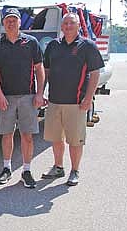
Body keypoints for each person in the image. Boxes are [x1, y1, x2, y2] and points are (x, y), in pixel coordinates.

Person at [42, 12, 104, 186]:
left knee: (75, 140)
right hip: (54, 101)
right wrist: (42, 92)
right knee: (56, 138)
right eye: (65, 23)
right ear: (61, 27)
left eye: (72, 23)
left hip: (76, 102)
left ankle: (75, 170)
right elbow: (45, 71)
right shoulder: (53, 45)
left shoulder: (88, 46)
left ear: (78, 26)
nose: (68, 26)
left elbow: (95, 73)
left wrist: (89, 98)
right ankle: (58, 167)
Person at [0, 8, 45, 188]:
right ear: (3, 23)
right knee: (7, 134)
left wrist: (40, 94)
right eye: (7, 20)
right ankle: (6, 168)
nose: (10, 23)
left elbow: (39, 70)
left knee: (27, 136)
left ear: (20, 22)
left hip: (28, 97)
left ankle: (26, 170)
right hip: (7, 98)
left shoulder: (31, 42)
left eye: (14, 20)